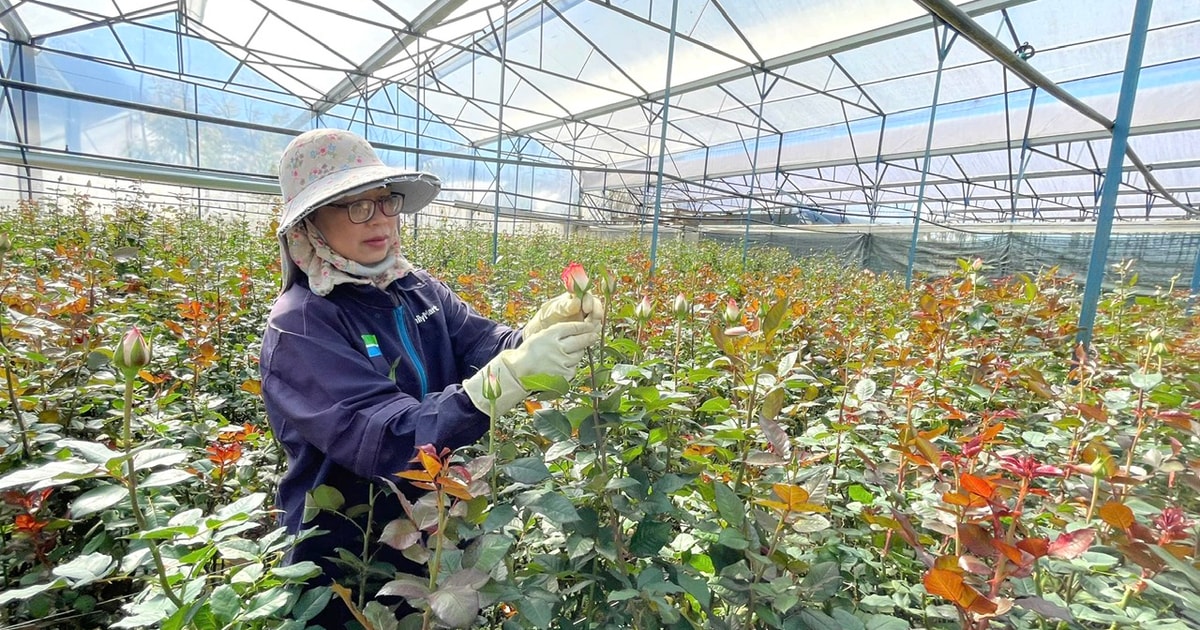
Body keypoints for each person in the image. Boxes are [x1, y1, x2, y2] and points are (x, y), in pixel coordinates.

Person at [259, 128, 602, 627]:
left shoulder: (416, 290)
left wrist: (535, 333)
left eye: (384, 201)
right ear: (309, 223)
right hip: (348, 557)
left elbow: (485, 345)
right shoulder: (302, 324)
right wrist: (505, 380)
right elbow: (384, 437)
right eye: (355, 206)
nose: (379, 219)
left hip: (435, 530)